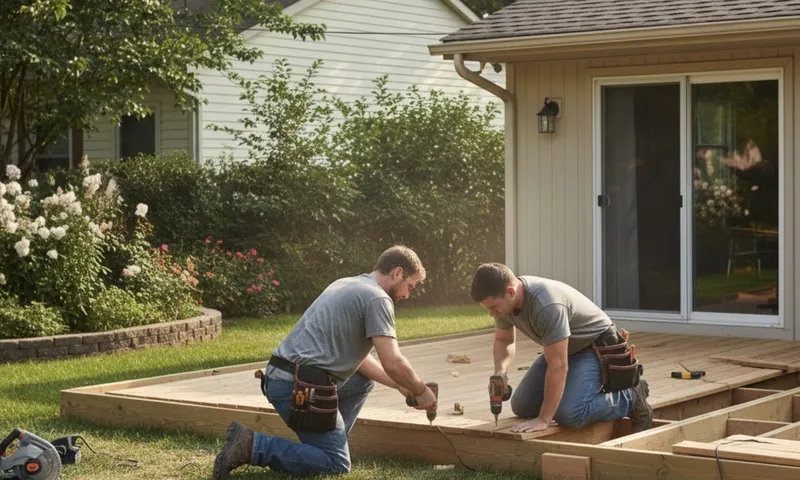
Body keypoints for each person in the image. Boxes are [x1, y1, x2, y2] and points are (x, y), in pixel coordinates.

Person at [213, 245, 437, 479]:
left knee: (363, 381)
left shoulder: (348, 284)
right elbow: (393, 362)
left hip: (284, 376)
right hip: (297, 386)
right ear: (397, 272)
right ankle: (252, 445)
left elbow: (360, 362)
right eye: (409, 286)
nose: (406, 295)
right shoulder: (378, 299)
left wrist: (400, 385)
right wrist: (420, 390)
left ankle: (328, 443)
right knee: (336, 465)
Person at [470, 262, 653, 434]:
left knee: (569, 414)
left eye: (493, 307)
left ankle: (631, 396)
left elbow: (558, 366)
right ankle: (571, 394)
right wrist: (500, 372)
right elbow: (504, 340)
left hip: (595, 347)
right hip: (563, 348)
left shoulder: (547, 304)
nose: (491, 314)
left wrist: (543, 419)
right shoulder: (505, 304)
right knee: (522, 405)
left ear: (510, 291)